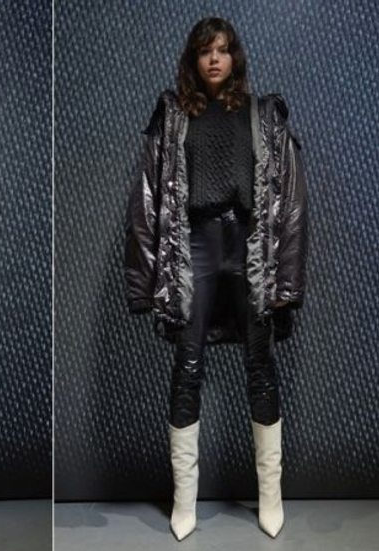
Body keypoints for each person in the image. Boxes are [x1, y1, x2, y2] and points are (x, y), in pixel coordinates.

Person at [124, 17, 308, 541]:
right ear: (193, 58)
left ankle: (270, 497)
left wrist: (287, 283)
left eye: (223, 50)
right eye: (205, 50)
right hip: (195, 249)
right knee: (187, 365)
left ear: (235, 58)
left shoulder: (263, 114)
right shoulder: (174, 117)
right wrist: (144, 285)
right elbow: (146, 201)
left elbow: (292, 200)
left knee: (260, 364)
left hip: (252, 248)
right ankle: (184, 502)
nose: (214, 59)